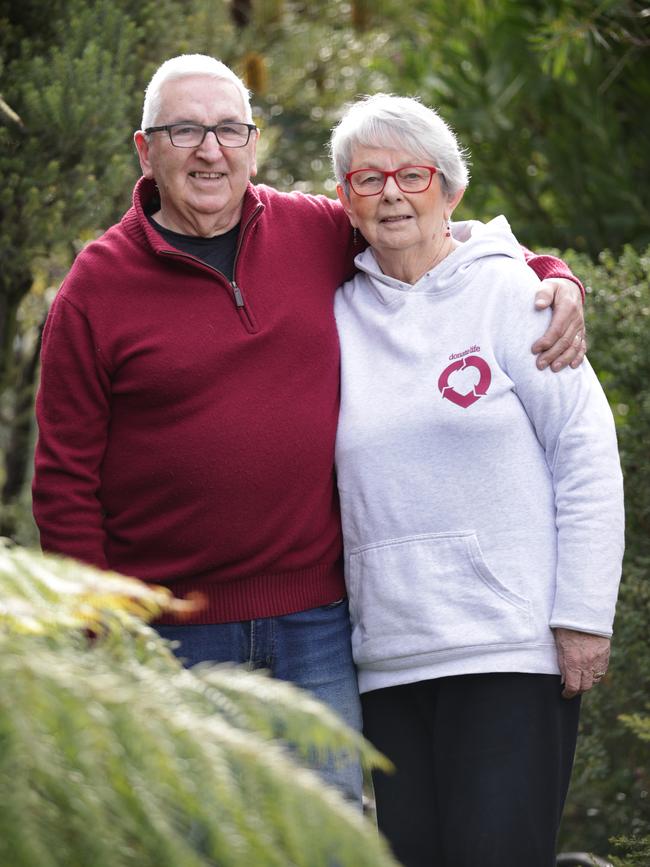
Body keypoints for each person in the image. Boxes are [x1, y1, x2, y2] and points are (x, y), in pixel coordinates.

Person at [32, 54, 586, 806]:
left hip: (316, 626)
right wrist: (100, 640)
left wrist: (551, 274)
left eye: (229, 129)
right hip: (170, 636)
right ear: (146, 148)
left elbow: (440, 241)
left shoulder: (315, 230)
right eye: (186, 130)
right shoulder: (95, 289)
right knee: (199, 841)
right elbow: (64, 482)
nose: (210, 149)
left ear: (253, 142)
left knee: (320, 839)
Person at [330, 91, 624, 863]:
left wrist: (585, 614)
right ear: (344, 200)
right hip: (389, 656)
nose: (391, 191)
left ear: (452, 191)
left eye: (413, 174)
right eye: (368, 179)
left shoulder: (512, 294)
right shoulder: (332, 312)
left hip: (508, 649)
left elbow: (585, 450)